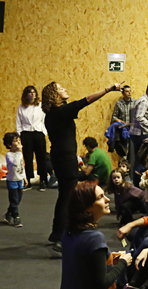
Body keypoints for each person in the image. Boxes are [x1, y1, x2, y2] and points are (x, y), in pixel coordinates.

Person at [43, 81, 122, 251]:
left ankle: (56, 234)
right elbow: (86, 100)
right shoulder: (61, 112)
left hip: (60, 157)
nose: (65, 89)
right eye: (61, 89)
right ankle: (61, 238)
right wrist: (108, 89)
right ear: (54, 95)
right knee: (68, 197)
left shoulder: (52, 114)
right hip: (64, 159)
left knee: (64, 196)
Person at [17, 85, 52, 191]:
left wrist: (44, 133)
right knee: (27, 158)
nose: (32, 94)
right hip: (26, 134)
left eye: (34, 92)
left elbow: (45, 120)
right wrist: (20, 135)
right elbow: (18, 123)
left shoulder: (41, 106)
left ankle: (43, 181)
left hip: (38, 133)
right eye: (29, 93)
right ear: (26, 95)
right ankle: (28, 181)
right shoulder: (21, 107)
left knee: (41, 158)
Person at [2, 132, 26, 227]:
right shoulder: (9, 155)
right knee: (14, 200)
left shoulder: (19, 154)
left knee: (18, 200)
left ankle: (8, 213)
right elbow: (15, 163)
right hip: (12, 180)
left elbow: (21, 166)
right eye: (16, 142)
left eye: (19, 141)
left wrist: (24, 177)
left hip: (20, 179)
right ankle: (16, 217)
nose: (19, 143)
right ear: (9, 145)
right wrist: (18, 152)